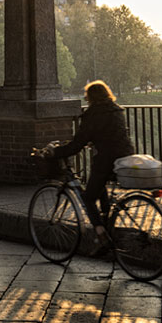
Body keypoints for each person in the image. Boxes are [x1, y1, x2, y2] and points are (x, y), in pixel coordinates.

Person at [51, 79, 134, 235]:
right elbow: (111, 134)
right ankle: (107, 225)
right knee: (100, 187)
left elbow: (78, 143)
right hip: (125, 156)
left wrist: (57, 152)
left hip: (106, 159)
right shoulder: (117, 110)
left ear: (90, 97)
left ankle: (101, 232)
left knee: (88, 198)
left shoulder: (93, 114)